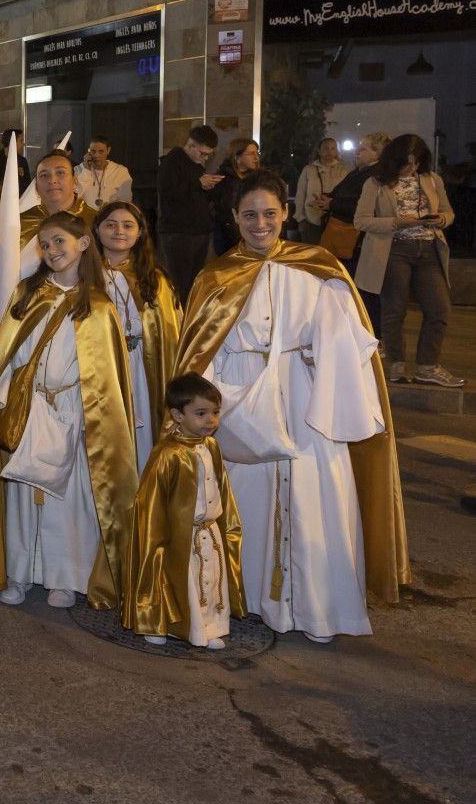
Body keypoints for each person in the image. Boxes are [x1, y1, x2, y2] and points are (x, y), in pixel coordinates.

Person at [175, 169, 409, 642]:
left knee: (313, 489)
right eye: (248, 215)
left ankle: (316, 608)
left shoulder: (317, 265)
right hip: (239, 399)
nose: (259, 224)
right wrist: (213, 406)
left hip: (306, 395)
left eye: (269, 213)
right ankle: (245, 598)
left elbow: (347, 339)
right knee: (244, 495)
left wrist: (320, 354)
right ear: (234, 219)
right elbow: (202, 350)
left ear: (285, 213)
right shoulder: (216, 275)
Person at [0, 212, 137, 611]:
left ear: (82, 244)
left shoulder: (98, 305)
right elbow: (6, 352)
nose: (52, 250)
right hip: (31, 406)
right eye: (45, 244)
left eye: (60, 241)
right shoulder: (29, 293)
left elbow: (108, 376)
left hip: (74, 408)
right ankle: (22, 573)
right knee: (25, 493)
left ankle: (65, 577)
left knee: (68, 496)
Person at [122, 373, 245, 650]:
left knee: (210, 583)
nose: (211, 421)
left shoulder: (211, 446)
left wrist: (224, 524)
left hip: (208, 529)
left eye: (215, 413)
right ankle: (163, 623)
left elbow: (221, 488)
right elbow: (151, 499)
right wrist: (159, 539)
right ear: (178, 415)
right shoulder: (169, 453)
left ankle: (209, 627)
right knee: (178, 582)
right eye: (201, 413)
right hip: (180, 535)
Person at [353, 134, 462, 388]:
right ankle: (396, 363)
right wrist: (397, 222)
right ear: (394, 160)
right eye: (406, 163)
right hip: (393, 250)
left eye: (416, 163)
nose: (411, 168)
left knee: (439, 308)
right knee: (394, 310)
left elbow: (448, 212)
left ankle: (427, 366)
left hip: (428, 248)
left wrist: (441, 220)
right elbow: (361, 220)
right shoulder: (376, 183)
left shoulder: (432, 180)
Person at [92, 200, 181, 473]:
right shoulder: (86, 276)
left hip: (142, 370)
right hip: (100, 368)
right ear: (96, 230)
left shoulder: (156, 280)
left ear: (140, 232)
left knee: (141, 437)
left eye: (128, 225)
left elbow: (172, 332)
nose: (119, 231)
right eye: (110, 224)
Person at [324, 131, 391, 334]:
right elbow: (341, 193)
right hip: (347, 238)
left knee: (364, 290)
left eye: (363, 149)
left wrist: (332, 203)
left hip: (358, 241)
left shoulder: (375, 177)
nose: (357, 152)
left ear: (378, 154)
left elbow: (361, 209)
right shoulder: (358, 172)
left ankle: (370, 333)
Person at [157, 125, 223, 301]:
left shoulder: (196, 165)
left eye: (209, 155)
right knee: (181, 285)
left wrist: (208, 186)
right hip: (179, 232)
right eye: (203, 153)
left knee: (195, 282)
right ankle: (179, 322)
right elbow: (167, 193)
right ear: (191, 144)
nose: (205, 158)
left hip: (198, 231)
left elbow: (194, 193)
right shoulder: (171, 162)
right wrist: (198, 183)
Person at [208, 137, 261, 254]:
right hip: (228, 237)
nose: (256, 158)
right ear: (237, 157)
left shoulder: (255, 179)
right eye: (251, 154)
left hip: (247, 235)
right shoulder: (225, 180)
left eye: (257, 153)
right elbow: (227, 214)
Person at [294, 137, 347, 244]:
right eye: (326, 148)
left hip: (335, 220)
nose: (329, 151)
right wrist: (301, 218)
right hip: (311, 219)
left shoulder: (343, 170)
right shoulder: (309, 169)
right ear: (319, 151)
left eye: (333, 148)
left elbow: (346, 195)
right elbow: (301, 194)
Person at [74, 135, 133, 210]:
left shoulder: (120, 171)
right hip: (85, 217)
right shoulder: (79, 169)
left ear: (108, 150)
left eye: (101, 151)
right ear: (89, 151)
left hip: (110, 216)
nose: (96, 155)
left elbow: (125, 201)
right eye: (93, 151)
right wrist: (86, 170)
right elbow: (76, 196)